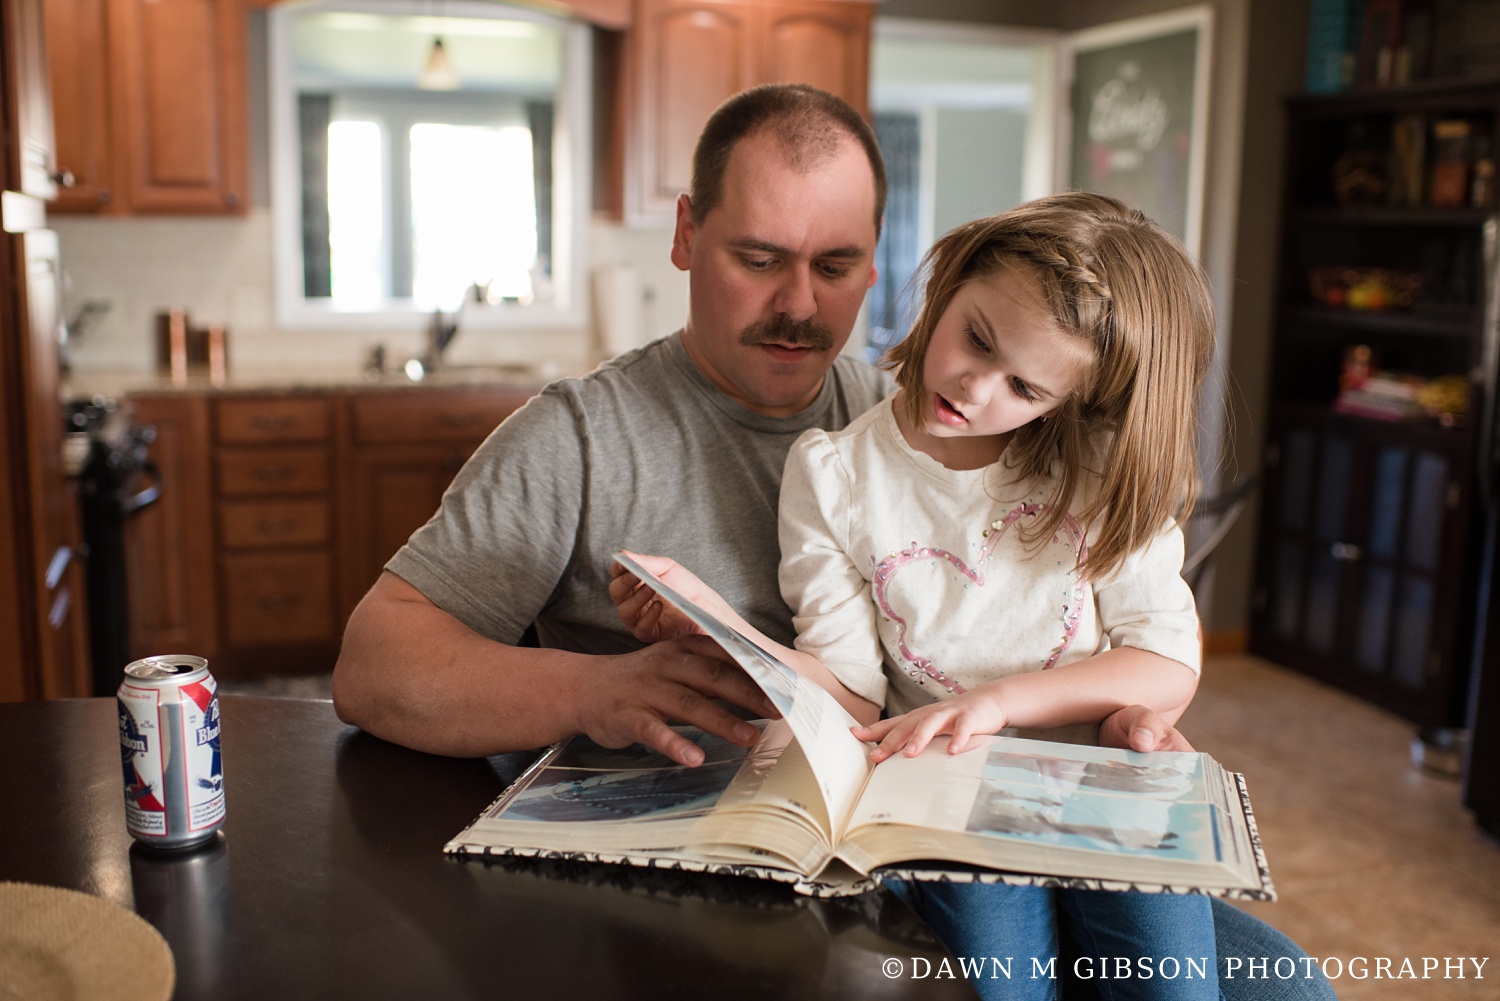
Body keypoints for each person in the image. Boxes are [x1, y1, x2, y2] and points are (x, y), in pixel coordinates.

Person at [333, 84, 1333, 1001]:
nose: (800, 305)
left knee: (1288, 987)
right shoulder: (580, 436)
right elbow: (375, 666)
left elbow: (1081, 608)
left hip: (947, 816)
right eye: (759, 259)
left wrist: (1123, 720)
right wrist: (596, 688)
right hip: (745, 887)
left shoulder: (932, 413)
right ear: (687, 234)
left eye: (836, 265)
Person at [613, 192, 1222, 1001]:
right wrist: (719, 624)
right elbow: (854, 696)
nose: (974, 386)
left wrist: (999, 702)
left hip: (1105, 785)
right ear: (950, 281)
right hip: (948, 799)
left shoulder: (1104, 467)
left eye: (1026, 388)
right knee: (1000, 987)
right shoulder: (834, 474)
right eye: (976, 337)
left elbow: (1166, 663)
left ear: (1070, 401)